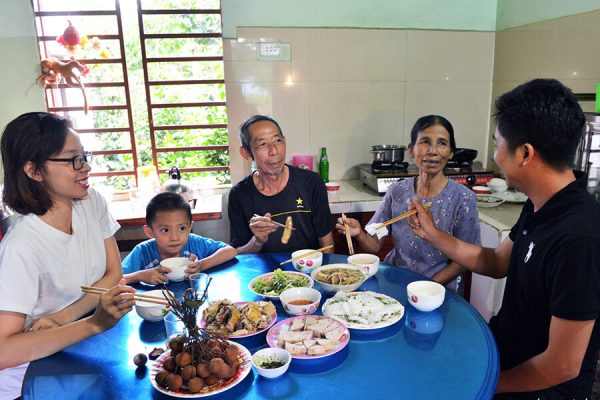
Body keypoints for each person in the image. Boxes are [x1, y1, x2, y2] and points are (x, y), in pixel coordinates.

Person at [410, 79, 600, 399]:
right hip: (505, 358)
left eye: (497, 144)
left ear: (525, 153)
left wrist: (490, 383)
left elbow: (563, 364)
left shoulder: (580, 238)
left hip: (537, 388)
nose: (495, 156)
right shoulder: (541, 202)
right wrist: (434, 234)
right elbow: (498, 262)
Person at [0, 112, 135, 399]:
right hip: (31, 377)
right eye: (73, 159)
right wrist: (93, 322)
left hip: (78, 352)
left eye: (84, 156)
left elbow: (113, 275)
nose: (85, 167)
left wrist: (65, 316)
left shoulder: (91, 202)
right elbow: (4, 351)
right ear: (33, 170)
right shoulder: (21, 245)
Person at [336, 115, 480, 291]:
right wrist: (359, 234)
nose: (433, 150)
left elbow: (465, 260)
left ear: (451, 152)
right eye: (425, 142)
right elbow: (374, 246)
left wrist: (429, 286)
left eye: (442, 143)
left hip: (438, 289)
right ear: (411, 151)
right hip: (396, 281)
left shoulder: (464, 199)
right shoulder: (397, 192)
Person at [228, 115, 334, 254]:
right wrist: (257, 241)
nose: (274, 151)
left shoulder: (311, 183)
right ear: (246, 153)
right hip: (263, 274)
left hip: (307, 270)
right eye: (262, 144)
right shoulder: (239, 195)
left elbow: (327, 244)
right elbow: (239, 255)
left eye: (278, 140)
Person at [122, 192, 237, 284]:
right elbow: (117, 281)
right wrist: (139, 276)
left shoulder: (194, 242)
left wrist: (201, 265)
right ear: (150, 232)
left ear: (190, 227)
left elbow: (231, 251)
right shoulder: (142, 251)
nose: (175, 237)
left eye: (182, 228)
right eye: (165, 230)